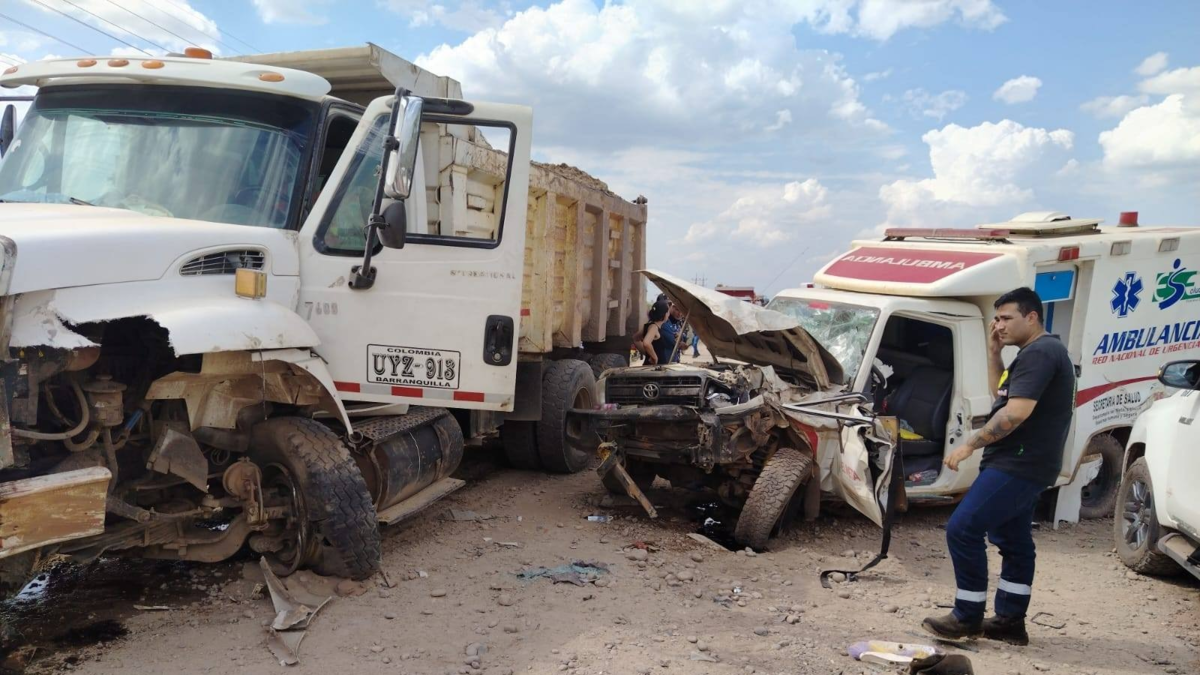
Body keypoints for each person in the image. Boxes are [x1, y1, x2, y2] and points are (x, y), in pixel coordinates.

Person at [922, 287, 1075, 646]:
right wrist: (994, 353)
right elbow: (1002, 397)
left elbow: (1016, 413)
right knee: (1013, 540)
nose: (999, 325)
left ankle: (967, 616)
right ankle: (1009, 622)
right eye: (997, 319)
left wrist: (969, 445)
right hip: (1027, 461)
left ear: (1032, 317)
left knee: (963, 528)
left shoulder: (1041, 352)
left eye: (1007, 318)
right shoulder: (1034, 353)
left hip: (1019, 461)